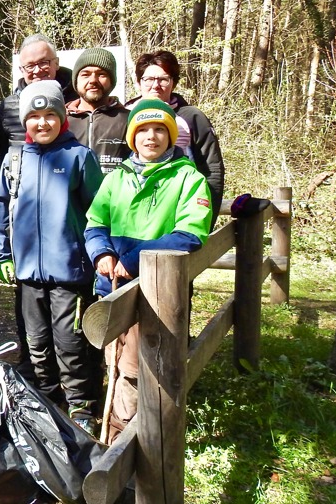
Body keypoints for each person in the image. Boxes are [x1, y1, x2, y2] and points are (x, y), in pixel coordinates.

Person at [84, 99, 213, 442]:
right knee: (113, 361)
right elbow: (95, 223)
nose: (151, 137)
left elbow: (189, 234)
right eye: (143, 130)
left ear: (171, 137)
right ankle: (113, 438)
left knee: (134, 370)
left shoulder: (189, 179)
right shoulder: (116, 178)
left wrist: (134, 258)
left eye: (159, 130)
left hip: (156, 290)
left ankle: (126, 445)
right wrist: (102, 254)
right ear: (132, 137)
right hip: (112, 287)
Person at [0, 80, 103, 432]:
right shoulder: (15, 159)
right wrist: (3, 254)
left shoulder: (79, 157)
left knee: (70, 343)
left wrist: (96, 257)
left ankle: (80, 406)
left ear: (62, 118)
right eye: (34, 117)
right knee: (36, 345)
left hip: (69, 273)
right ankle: (45, 398)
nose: (42, 123)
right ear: (24, 122)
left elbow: (98, 213)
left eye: (49, 115)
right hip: (27, 273)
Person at [130, 50, 225, 220]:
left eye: (163, 79)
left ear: (173, 83)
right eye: (149, 79)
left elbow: (212, 169)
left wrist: (206, 218)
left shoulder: (191, 117)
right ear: (139, 82)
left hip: (179, 210)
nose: (156, 85)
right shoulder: (125, 115)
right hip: (131, 213)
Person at [0, 34, 78, 157]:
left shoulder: (77, 100)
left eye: (43, 62)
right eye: (30, 66)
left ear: (56, 63)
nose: (37, 70)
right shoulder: (8, 107)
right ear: (21, 70)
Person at [66, 47, 131, 174]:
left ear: (112, 80)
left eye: (101, 74)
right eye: (85, 74)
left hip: (114, 193)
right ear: (76, 80)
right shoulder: (60, 121)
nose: (93, 80)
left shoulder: (128, 119)